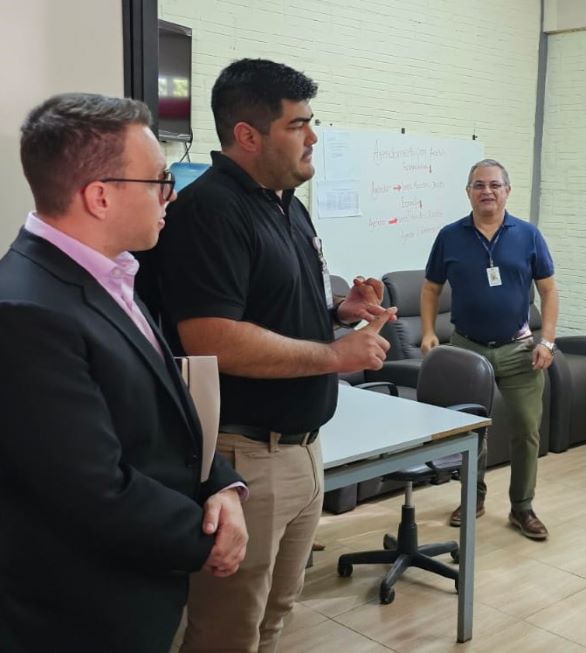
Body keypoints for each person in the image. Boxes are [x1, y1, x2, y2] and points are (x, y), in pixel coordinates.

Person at [148, 59, 395, 653]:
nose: (314, 137)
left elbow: (267, 305)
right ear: (247, 135)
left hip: (304, 452)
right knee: (227, 631)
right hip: (246, 457)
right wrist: (335, 356)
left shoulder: (285, 204)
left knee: (275, 616)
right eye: (299, 124)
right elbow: (211, 338)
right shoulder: (210, 211)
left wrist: (339, 310)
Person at [0, 93, 247, 653]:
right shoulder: (25, 311)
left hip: (138, 589)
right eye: (160, 179)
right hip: (82, 614)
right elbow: (92, 490)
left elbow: (165, 407)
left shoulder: (113, 275)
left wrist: (222, 486)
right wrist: (209, 540)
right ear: (100, 196)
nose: (172, 194)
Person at [420, 159, 559, 541]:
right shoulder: (450, 236)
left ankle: (522, 507)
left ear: (507, 191)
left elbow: (548, 290)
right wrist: (430, 332)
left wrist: (547, 340)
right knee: (470, 431)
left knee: (527, 431)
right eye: (479, 185)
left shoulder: (528, 236)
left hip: (519, 350)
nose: (487, 191)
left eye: (495, 185)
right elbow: (431, 288)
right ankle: (472, 499)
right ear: (468, 192)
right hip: (467, 349)